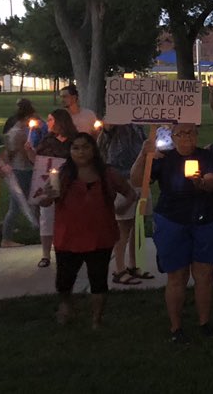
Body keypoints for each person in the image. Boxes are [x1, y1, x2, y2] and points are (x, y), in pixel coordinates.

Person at [131, 123, 213, 343]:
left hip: (204, 220)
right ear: (172, 137)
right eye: (181, 133)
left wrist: (201, 183)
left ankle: (204, 322)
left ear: (197, 134)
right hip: (172, 221)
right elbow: (136, 180)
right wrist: (144, 155)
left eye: (191, 132)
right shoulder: (162, 159)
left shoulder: (206, 155)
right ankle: (176, 327)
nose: (186, 137)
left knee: (204, 275)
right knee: (177, 276)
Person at [38, 133, 138, 328]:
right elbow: (44, 201)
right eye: (75, 148)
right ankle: (66, 305)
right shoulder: (61, 174)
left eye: (85, 147)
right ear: (70, 151)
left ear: (93, 149)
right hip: (68, 236)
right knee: (64, 280)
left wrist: (122, 208)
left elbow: (130, 193)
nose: (81, 152)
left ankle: (96, 319)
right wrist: (47, 195)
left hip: (100, 236)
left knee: (98, 279)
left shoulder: (107, 174)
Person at [99, 123, 151, 285]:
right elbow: (106, 132)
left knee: (138, 225)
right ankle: (119, 269)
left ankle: (133, 265)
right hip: (122, 177)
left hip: (140, 177)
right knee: (123, 227)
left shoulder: (138, 125)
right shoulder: (115, 123)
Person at [24, 109, 75, 268]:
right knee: (47, 217)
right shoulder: (47, 140)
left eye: (51, 120)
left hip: (69, 183)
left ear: (60, 122)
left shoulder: (74, 140)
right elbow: (38, 162)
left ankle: (69, 248)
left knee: (69, 217)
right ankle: (46, 254)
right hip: (49, 183)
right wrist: (30, 152)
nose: (48, 123)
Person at [1, 99, 38, 247]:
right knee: (17, 205)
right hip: (21, 170)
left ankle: (39, 228)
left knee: (34, 202)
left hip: (23, 169)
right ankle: (6, 238)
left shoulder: (19, 131)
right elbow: (17, 154)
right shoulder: (19, 133)